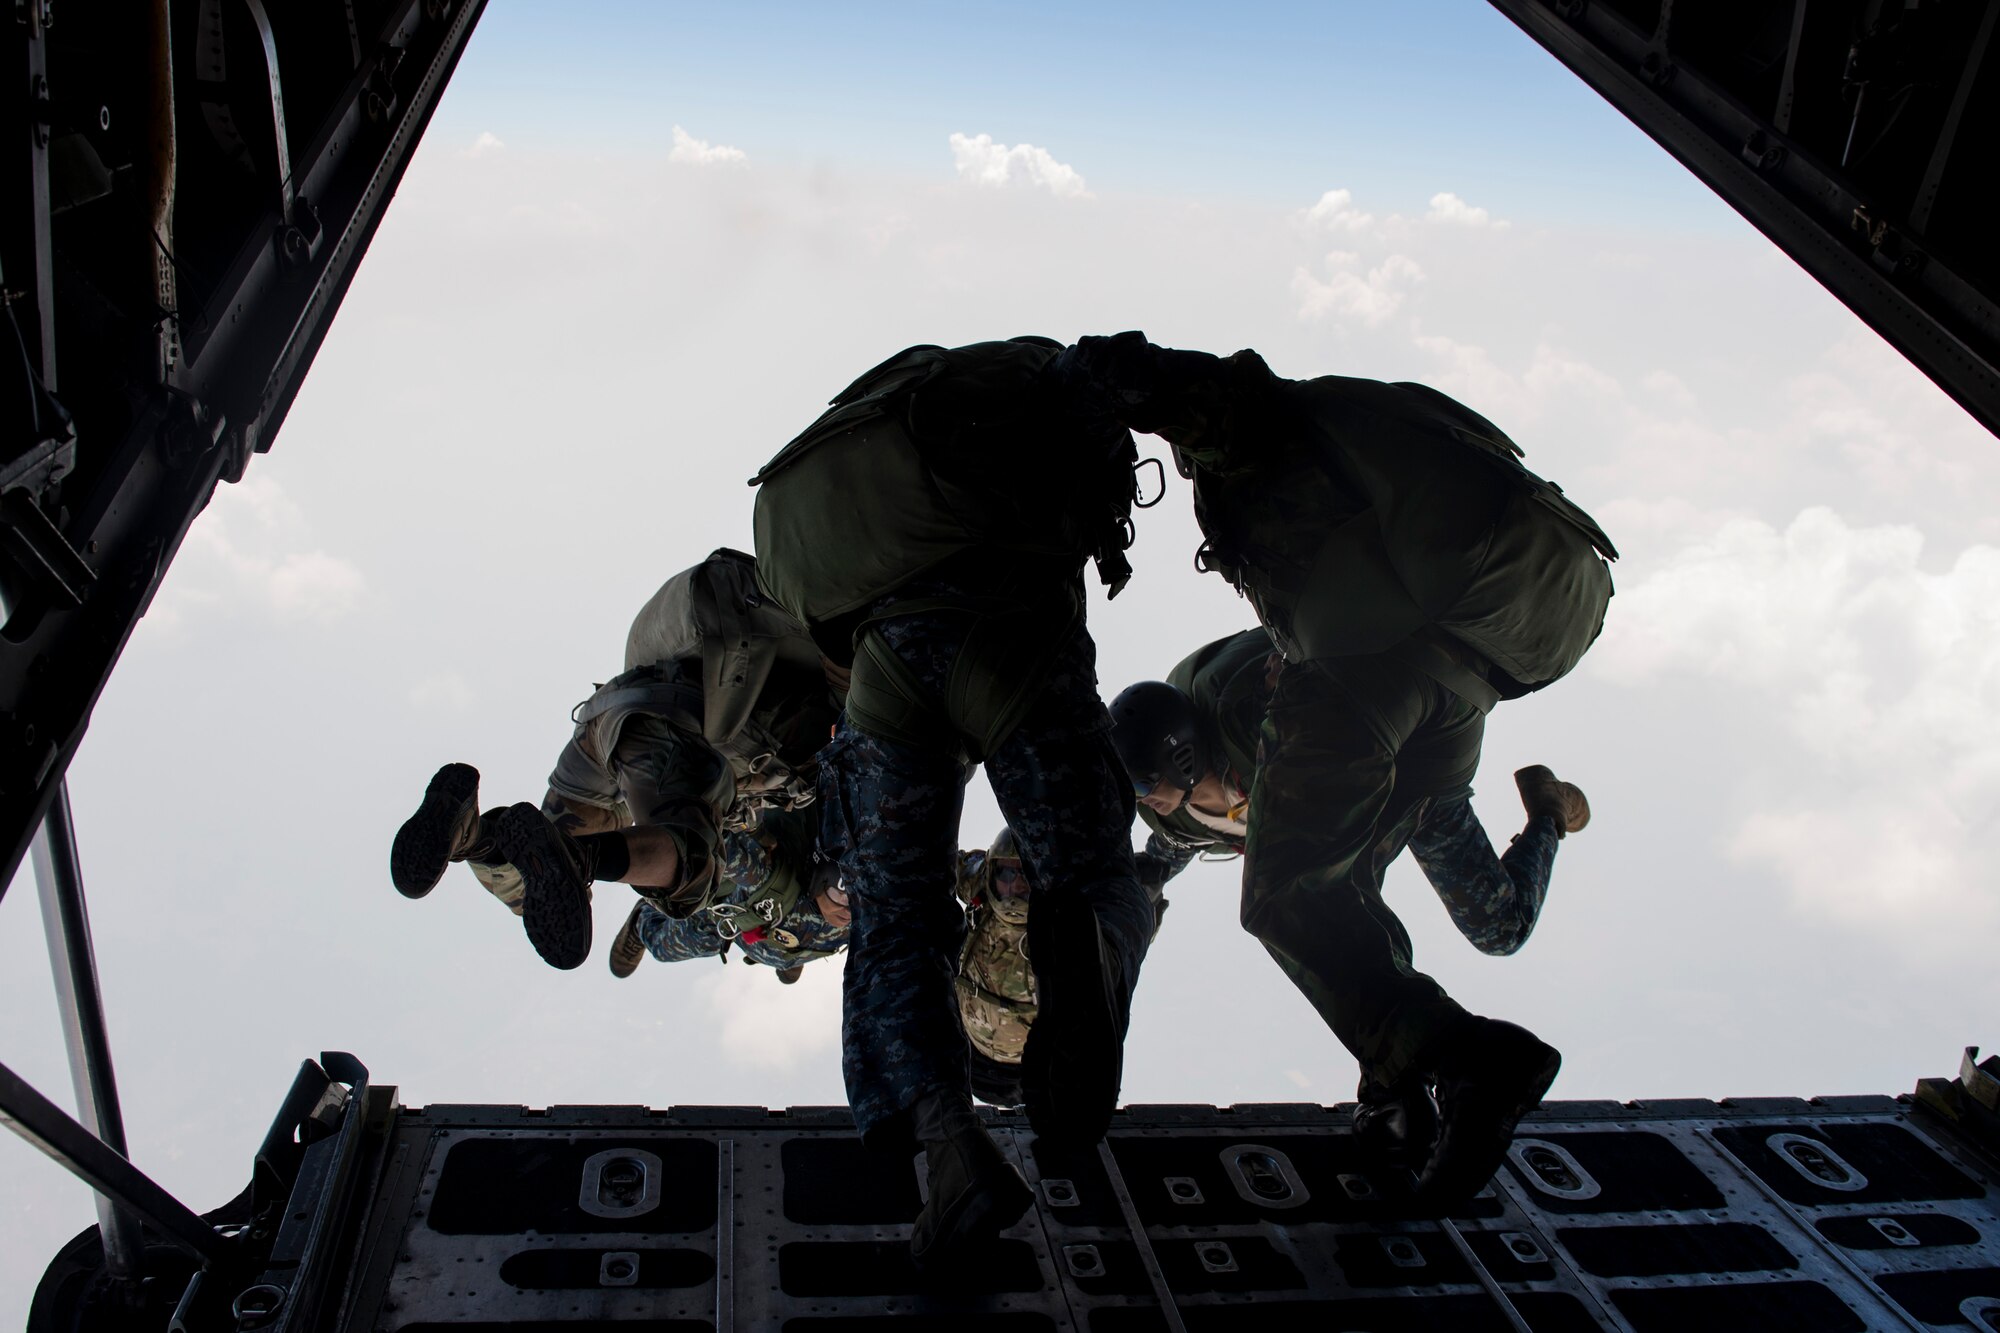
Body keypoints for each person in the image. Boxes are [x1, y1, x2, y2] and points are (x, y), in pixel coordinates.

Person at [1067, 332, 1616, 1206]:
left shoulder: (1232, 697)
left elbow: (1222, 401)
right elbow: (1155, 856)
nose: (1179, 804)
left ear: (1181, 754)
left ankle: (1462, 1061)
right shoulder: (1179, 813)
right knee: (1409, 911)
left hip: (1378, 676)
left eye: (1168, 787)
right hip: (1451, 689)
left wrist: (1097, 381)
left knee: (1299, 895)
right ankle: (1403, 1091)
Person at [748, 337, 1158, 1269]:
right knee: (1091, 863)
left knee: (895, 921)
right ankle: (1090, 950)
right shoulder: (1015, 379)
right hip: (1015, 623)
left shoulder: (859, 455)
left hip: (891, 669)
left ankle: (948, 1152)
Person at [1111, 627, 1590, 1166]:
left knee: (1341, 900)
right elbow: (1170, 846)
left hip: (1407, 755)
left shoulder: (1254, 713)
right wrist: (1138, 884)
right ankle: (1408, 1076)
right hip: (1366, 764)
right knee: (1498, 928)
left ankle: (1404, 1084)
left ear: (1184, 754)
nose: (1150, 798)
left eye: (1150, 785)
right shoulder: (1173, 812)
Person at [390, 548, 842, 970]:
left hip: (613, 720)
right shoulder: (834, 740)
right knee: (691, 864)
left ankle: (472, 838)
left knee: (535, 882)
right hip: (682, 726)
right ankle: (574, 859)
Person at [955, 827, 1174, 1110]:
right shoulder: (979, 886)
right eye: (1006, 874)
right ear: (991, 871)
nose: (1015, 886)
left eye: (1026, 874)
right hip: (971, 1054)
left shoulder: (1063, 921)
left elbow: (1112, 947)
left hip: (1030, 1070)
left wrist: (1139, 895)